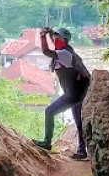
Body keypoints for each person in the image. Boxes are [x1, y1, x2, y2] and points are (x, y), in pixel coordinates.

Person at [31, 27, 91, 160]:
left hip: (73, 93)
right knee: (78, 122)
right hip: (79, 92)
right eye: (54, 37)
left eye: (58, 37)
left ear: (65, 40)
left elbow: (46, 51)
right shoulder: (65, 52)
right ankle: (82, 151)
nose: (55, 39)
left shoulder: (65, 53)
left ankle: (47, 142)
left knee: (49, 111)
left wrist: (42, 37)